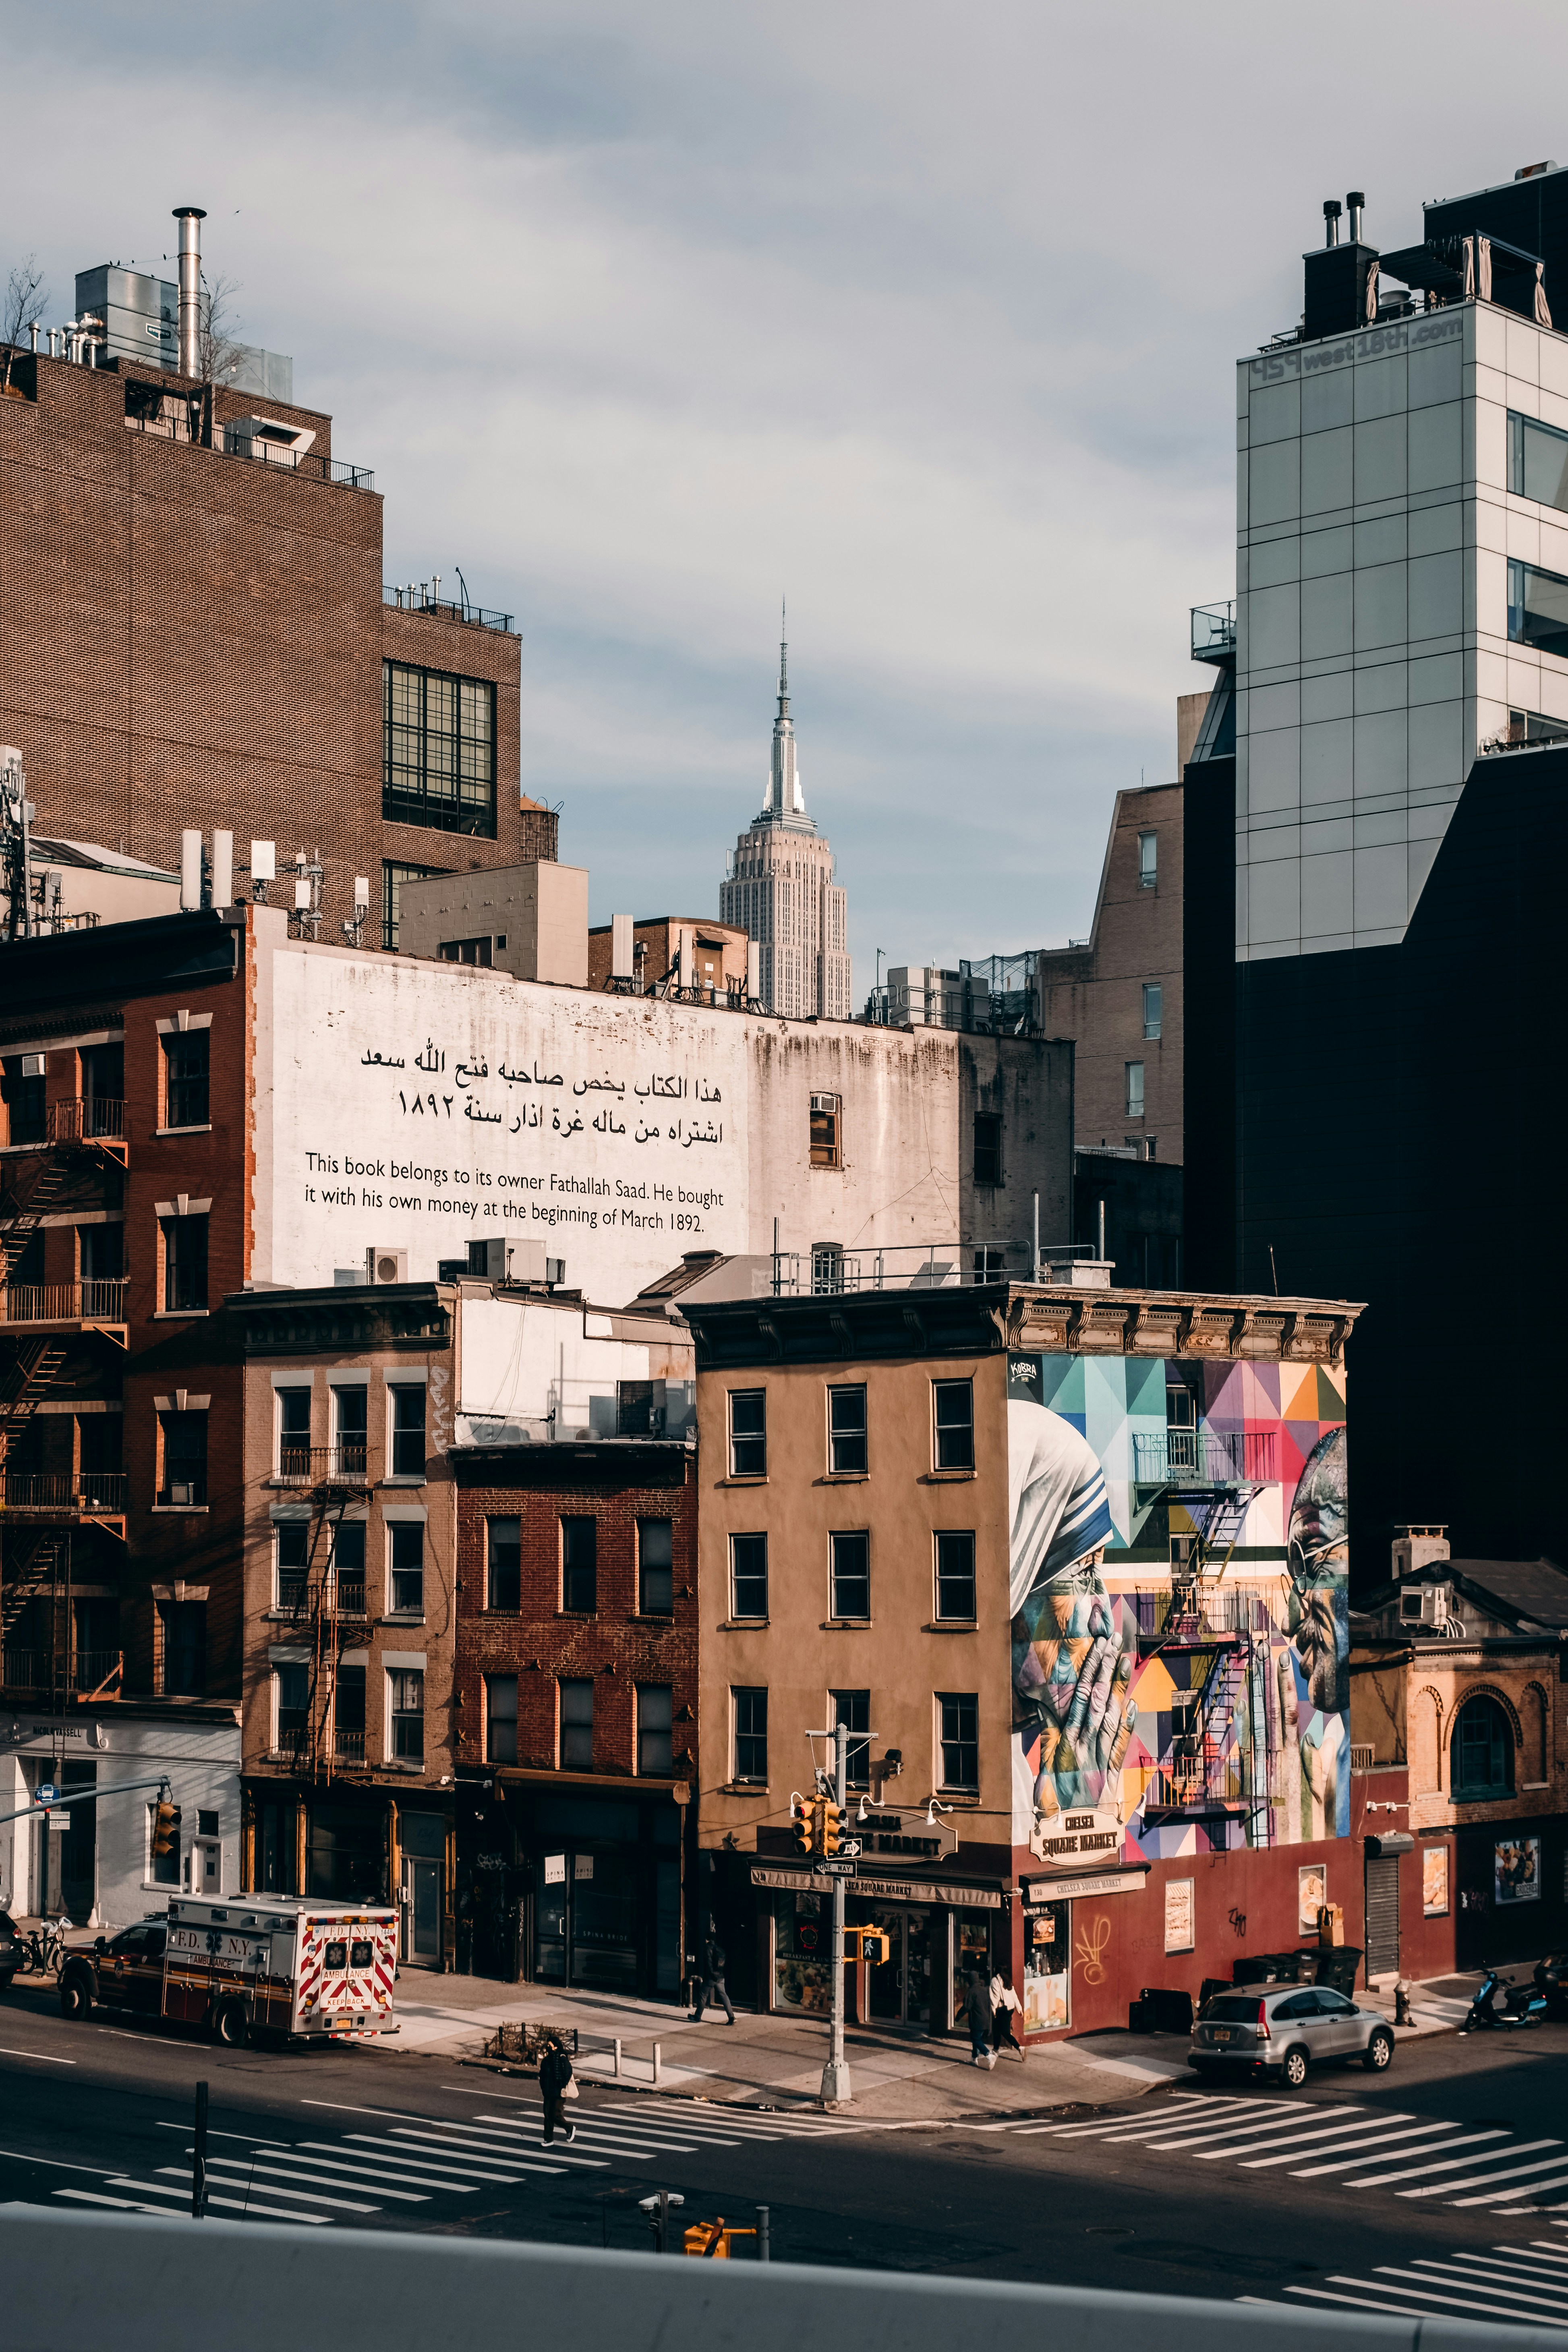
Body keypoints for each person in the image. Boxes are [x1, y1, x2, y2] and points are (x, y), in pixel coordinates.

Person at [538, 2032, 576, 2145]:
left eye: (550, 2045)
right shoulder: (546, 2061)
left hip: (559, 2092)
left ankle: (570, 2128)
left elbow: (568, 2072)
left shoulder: (561, 2058)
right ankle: (548, 2139)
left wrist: (561, 2085)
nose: (547, 2047)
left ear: (556, 2047)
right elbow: (542, 2075)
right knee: (547, 2115)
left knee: (555, 2115)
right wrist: (543, 2087)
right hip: (548, 2092)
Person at [690, 1931, 736, 2023]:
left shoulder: (708, 1948)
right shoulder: (718, 1948)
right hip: (721, 1977)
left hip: (711, 1978)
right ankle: (731, 2017)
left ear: (708, 1939)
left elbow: (709, 1963)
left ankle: (697, 2017)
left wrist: (711, 1974)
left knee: (703, 1995)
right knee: (724, 1996)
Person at [990, 1967, 1025, 2062]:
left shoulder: (995, 1980)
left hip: (1002, 2008)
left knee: (1003, 2032)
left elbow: (995, 1996)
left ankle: (1019, 2048)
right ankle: (996, 2049)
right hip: (1010, 2008)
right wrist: (1019, 2008)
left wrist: (994, 2010)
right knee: (998, 2029)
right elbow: (1014, 1995)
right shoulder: (1007, 1980)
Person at [965, 1970, 994, 2067]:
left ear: (970, 1980)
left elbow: (967, 2007)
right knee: (976, 2037)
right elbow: (989, 2006)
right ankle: (974, 2058)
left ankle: (988, 2055)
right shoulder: (984, 1990)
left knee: (975, 2038)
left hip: (977, 2020)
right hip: (985, 2019)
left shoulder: (972, 1991)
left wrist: (958, 2017)